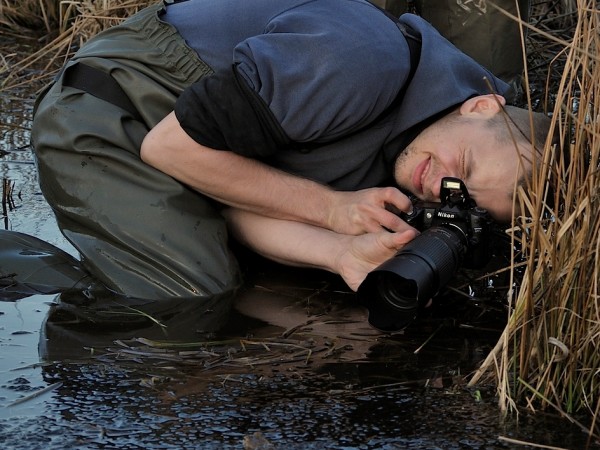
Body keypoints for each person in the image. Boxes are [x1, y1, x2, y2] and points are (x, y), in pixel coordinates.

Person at [30, 0, 551, 321]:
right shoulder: (357, 61)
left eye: (461, 197)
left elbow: (235, 204)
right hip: (117, 104)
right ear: (482, 105)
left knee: (259, 271)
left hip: (202, 153)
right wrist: (328, 210)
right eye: (467, 163)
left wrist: (340, 255)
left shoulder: (421, 150)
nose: (440, 186)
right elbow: (171, 149)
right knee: (187, 295)